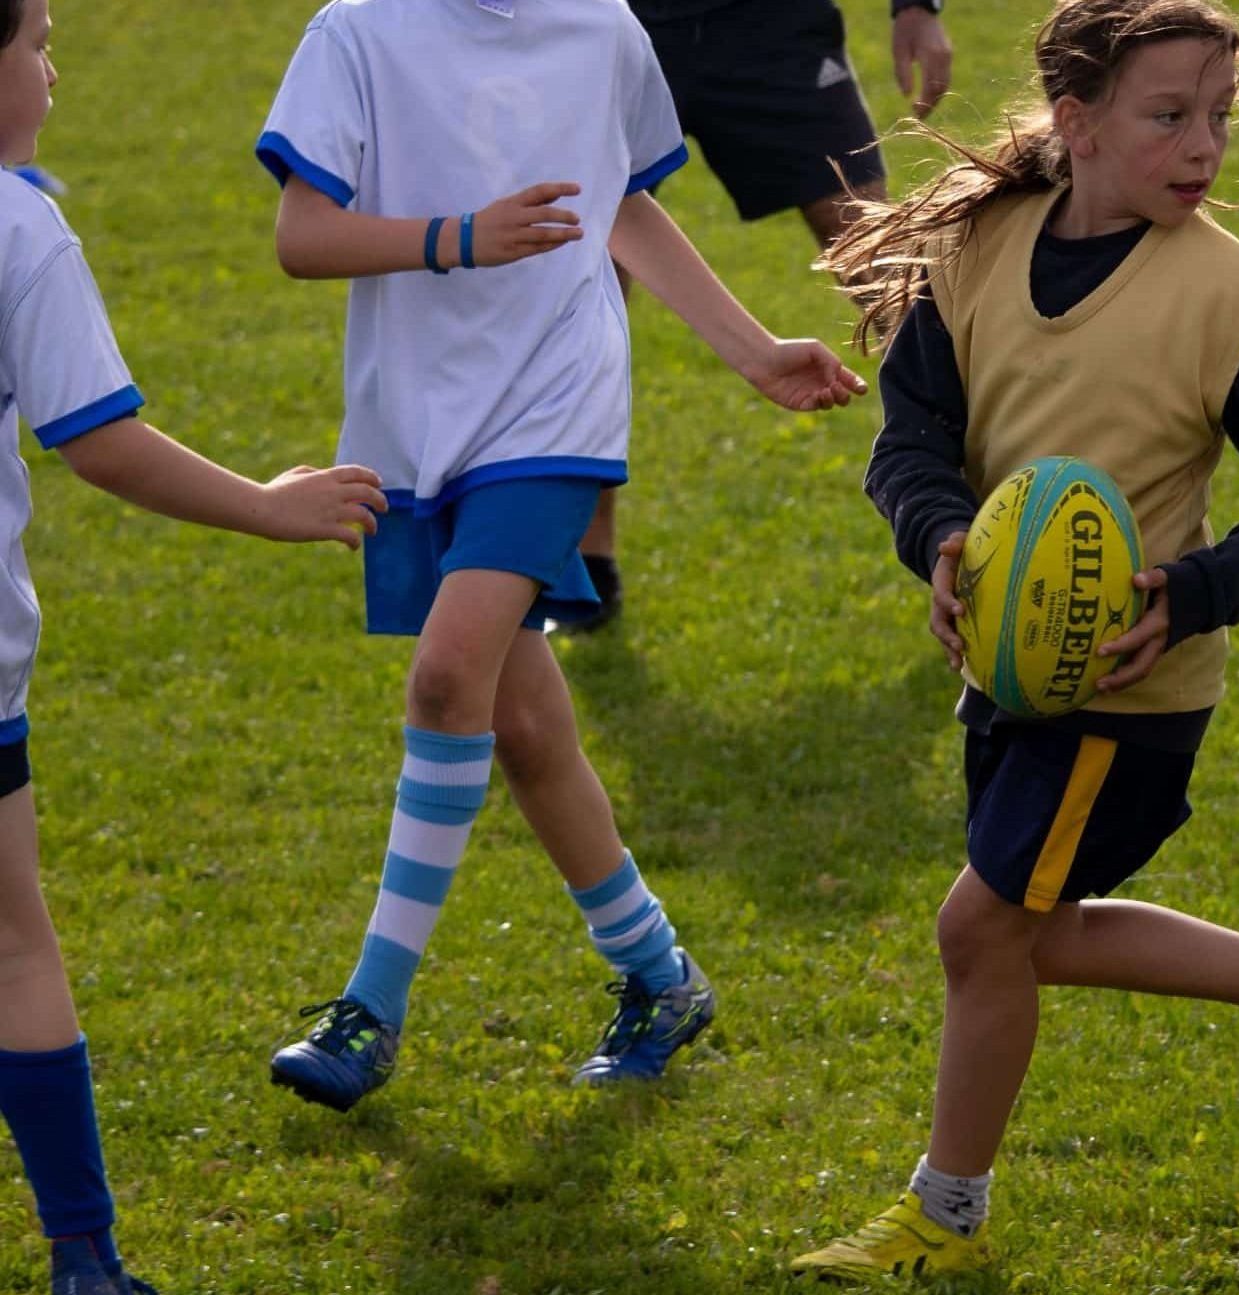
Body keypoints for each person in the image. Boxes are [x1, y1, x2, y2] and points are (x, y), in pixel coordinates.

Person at [790, 0, 1239, 1278]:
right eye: (1168, 116)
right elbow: (907, 438)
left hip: (1130, 691)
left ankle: (941, 1215)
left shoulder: (1227, 295)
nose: (1202, 148)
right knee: (1038, 929)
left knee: (979, 929)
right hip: (1007, 668)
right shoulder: (976, 250)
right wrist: (943, 538)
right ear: (1074, 124)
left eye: (1216, 120)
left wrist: (1187, 593)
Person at [253, 0, 865, 1113]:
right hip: (412, 422)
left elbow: (621, 204)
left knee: (447, 677)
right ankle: (660, 975)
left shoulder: (603, 30)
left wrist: (754, 349)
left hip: (553, 408)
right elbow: (302, 238)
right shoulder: (355, 30)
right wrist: (459, 237)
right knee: (526, 727)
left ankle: (370, 1008)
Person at [0, 1, 388, 1289]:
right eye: (37, 43)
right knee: (13, 944)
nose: (52, 72)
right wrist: (267, 505)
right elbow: (96, 436)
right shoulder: (19, 227)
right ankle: (86, 1261)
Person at [573, 0, 954, 633]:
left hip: (773, 25)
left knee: (889, 276)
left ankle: (989, 525)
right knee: (585, 283)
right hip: (610, 21)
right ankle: (585, 563)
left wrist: (916, 7)